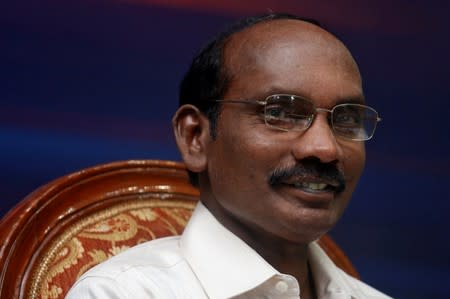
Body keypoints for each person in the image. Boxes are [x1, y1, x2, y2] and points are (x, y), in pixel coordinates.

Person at [66, 13, 391, 299]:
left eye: (345, 119)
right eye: (280, 112)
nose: (324, 148)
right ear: (196, 137)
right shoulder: (123, 293)